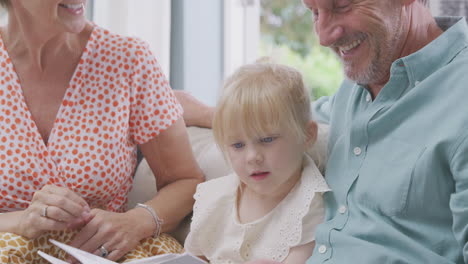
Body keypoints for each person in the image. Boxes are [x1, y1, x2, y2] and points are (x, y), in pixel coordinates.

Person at [176, 0, 468, 263]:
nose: (324, 36)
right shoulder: (357, 89)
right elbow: (286, 119)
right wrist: (207, 114)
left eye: (341, 6)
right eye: (315, 12)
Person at [0, 0, 204, 263]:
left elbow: (186, 179)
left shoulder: (127, 59)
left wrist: (137, 221)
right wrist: (21, 220)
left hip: (109, 254)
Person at [183, 61, 330, 264]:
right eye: (237, 145)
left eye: (267, 140)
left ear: (307, 135)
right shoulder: (214, 198)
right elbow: (191, 258)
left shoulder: (308, 208)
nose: (252, 156)